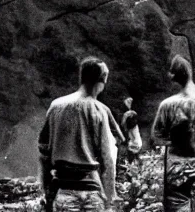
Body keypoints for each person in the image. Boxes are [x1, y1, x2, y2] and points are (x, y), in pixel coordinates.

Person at [38, 57, 118, 212]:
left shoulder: (56, 106)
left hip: (63, 190)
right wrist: (109, 199)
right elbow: (107, 158)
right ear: (100, 82)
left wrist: (46, 192)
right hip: (92, 193)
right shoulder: (98, 110)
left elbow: (44, 153)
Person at [151, 55, 195, 212]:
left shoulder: (167, 105)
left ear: (174, 76)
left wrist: (175, 140)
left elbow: (156, 137)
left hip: (175, 169)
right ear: (190, 73)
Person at [120, 97, 142, 163]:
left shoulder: (133, 126)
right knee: (134, 154)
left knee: (132, 154)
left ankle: (134, 163)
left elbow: (123, 123)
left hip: (135, 142)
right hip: (135, 142)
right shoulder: (128, 115)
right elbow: (123, 123)